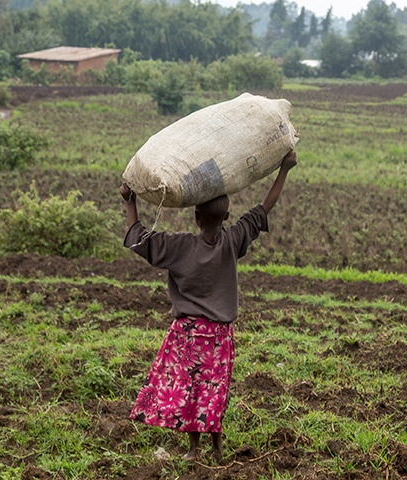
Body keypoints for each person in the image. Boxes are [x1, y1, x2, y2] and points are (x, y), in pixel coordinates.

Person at [120, 150, 297, 461]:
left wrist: (130, 202)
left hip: (186, 334)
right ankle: (216, 447)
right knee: (214, 390)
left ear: (196, 216)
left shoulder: (178, 246)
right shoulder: (233, 240)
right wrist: (284, 169)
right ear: (227, 217)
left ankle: (193, 449)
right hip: (219, 336)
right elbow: (264, 208)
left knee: (190, 388)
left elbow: (139, 239)